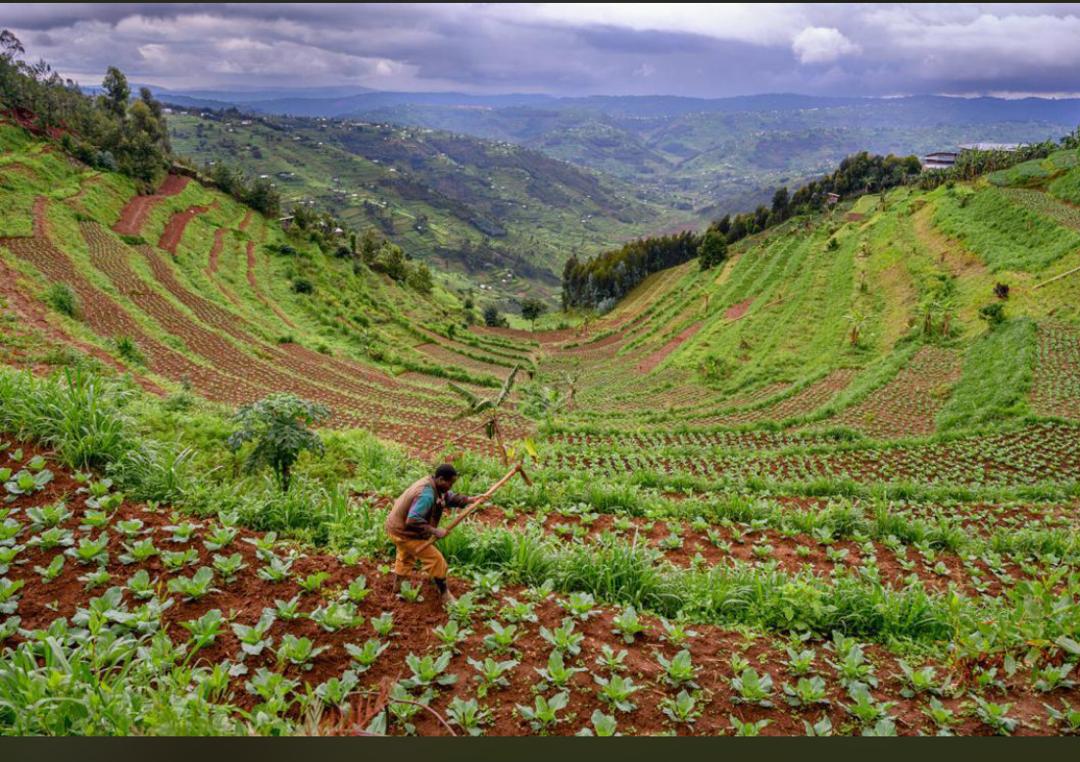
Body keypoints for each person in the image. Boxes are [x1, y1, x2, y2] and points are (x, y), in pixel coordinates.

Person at [385, 463, 475, 604]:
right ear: (440, 479)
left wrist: (468, 500)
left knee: (405, 556)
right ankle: (445, 595)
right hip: (404, 532)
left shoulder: (434, 485)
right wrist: (435, 531)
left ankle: (398, 587)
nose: (451, 486)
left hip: (396, 528)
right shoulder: (426, 494)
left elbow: (447, 497)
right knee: (436, 560)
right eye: (450, 483)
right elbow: (413, 520)